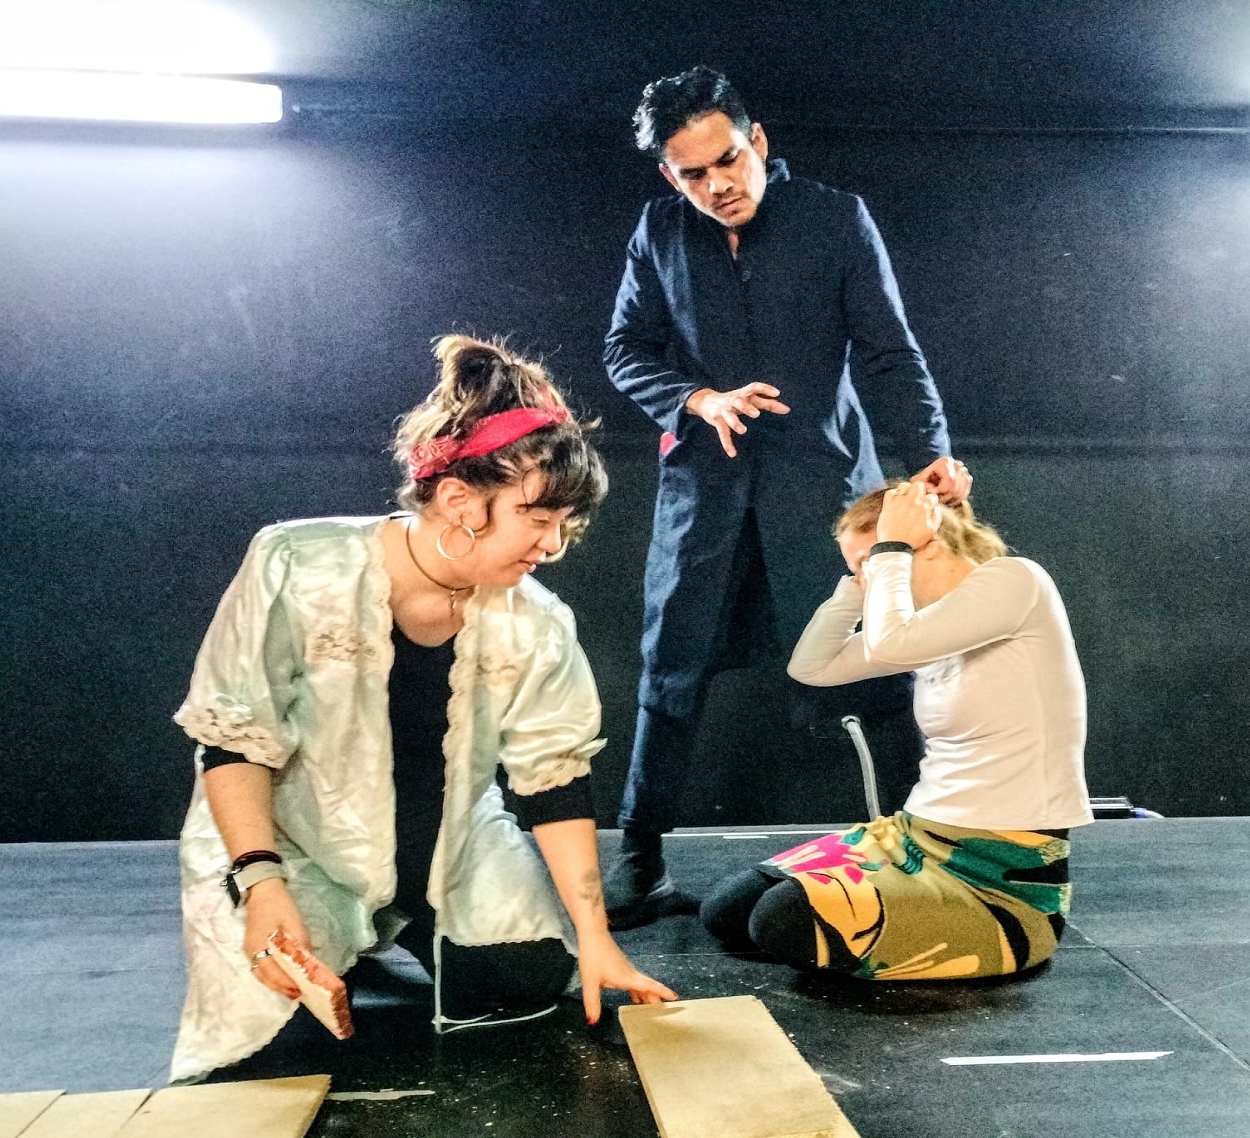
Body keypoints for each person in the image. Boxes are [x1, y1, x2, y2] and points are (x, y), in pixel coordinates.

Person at [169, 336, 676, 1084]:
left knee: (524, 981)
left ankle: (395, 922)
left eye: (564, 523)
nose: (553, 543)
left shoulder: (535, 619)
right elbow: (233, 739)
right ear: (459, 502)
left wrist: (594, 934)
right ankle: (338, 925)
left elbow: (553, 782)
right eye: (538, 519)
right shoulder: (296, 564)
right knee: (268, 1036)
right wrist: (260, 884)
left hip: (449, 843)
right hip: (295, 843)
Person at [603, 65, 972, 925]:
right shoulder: (658, 232)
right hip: (704, 496)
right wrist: (698, 400)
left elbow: (888, 353)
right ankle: (641, 858)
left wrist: (930, 458)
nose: (717, 186)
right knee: (670, 671)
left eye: (728, 160)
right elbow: (626, 350)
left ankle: (919, 855)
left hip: (820, 495)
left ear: (756, 139)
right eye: (693, 174)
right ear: (669, 175)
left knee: (873, 667)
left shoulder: (836, 220)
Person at [700, 480, 1093, 979]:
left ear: (924, 546)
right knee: (728, 912)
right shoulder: (925, 625)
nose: (867, 579)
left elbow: (891, 645)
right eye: (856, 569)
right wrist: (855, 584)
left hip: (1002, 880)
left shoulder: (1016, 582)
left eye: (867, 563)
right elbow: (811, 668)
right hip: (915, 838)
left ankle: (996, 932)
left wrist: (888, 551)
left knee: (780, 921)